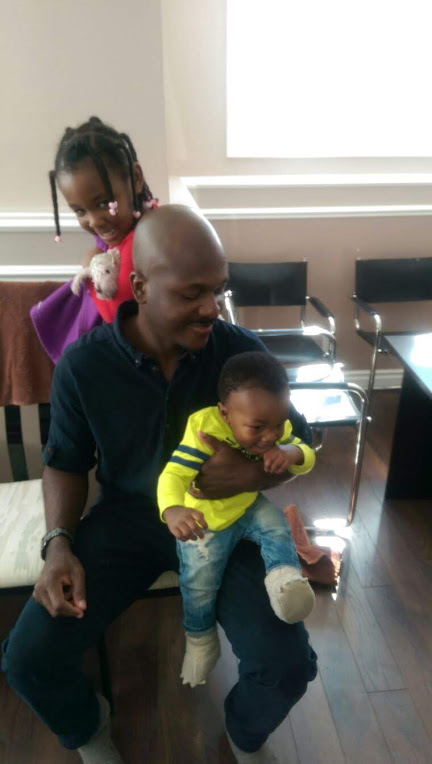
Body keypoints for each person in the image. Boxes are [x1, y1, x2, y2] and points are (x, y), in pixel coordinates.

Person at [2, 206, 317, 764]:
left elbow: (304, 439)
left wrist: (249, 473)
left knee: (288, 663)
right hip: (125, 523)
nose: (211, 307)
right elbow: (65, 462)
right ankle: (88, 725)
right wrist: (58, 545)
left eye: (218, 290)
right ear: (141, 287)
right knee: (28, 659)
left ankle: (243, 734)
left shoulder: (239, 353)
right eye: (193, 293)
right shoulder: (84, 366)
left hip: (226, 520)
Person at [158, 351, 316, 688]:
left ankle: (285, 581)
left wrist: (290, 452)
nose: (271, 436)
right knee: (199, 584)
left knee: (277, 526)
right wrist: (172, 509)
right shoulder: (204, 428)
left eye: (279, 423)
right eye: (258, 427)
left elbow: (307, 454)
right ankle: (200, 640)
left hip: (247, 504)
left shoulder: (275, 425)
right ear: (225, 414)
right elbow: (172, 474)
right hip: (207, 520)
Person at [31, 116, 158, 363]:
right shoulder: (130, 226)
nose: (94, 221)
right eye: (80, 211)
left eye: (102, 203)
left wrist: (93, 265)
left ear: (136, 178)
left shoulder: (143, 242)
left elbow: (118, 316)